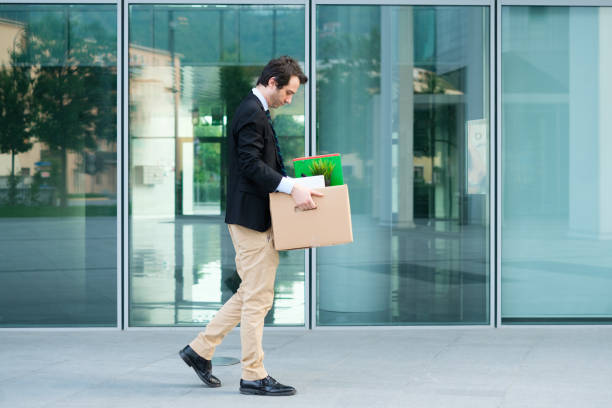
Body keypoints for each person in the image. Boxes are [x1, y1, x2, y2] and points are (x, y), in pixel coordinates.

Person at [179, 56, 322, 396]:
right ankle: (253, 375)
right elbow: (251, 167)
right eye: (287, 93)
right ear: (272, 82)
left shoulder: (255, 111)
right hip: (251, 221)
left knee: (249, 294)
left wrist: (297, 183)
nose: (289, 100)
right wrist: (290, 187)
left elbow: (262, 164)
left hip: (253, 217)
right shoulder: (250, 113)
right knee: (258, 299)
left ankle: (199, 350)